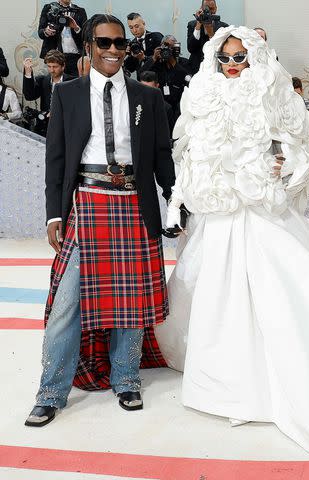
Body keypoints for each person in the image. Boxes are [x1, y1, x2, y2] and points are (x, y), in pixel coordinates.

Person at [155, 26, 309, 480]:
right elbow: (188, 151)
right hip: (218, 211)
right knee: (215, 289)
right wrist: (183, 196)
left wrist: (285, 164)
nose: (233, 65)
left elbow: (300, 149)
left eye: (241, 58)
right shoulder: (202, 92)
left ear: (254, 58)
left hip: (262, 207)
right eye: (226, 58)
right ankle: (225, 379)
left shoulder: (274, 90)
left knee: (279, 288)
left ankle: (272, 377)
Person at [25, 13, 174, 427]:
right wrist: (55, 213)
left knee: (130, 303)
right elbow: (56, 159)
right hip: (87, 203)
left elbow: (162, 155)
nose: (113, 50)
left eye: (119, 44)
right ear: (88, 45)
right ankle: (50, 392)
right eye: (104, 42)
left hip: (133, 203)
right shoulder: (67, 94)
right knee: (67, 304)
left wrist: (176, 198)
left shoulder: (147, 98)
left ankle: (126, 380)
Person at [140, 35, 191, 120]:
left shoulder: (184, 62)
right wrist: (154, 58)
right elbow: (141, 75)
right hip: (161, 105)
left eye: (171, 47)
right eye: (166, 46)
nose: (168, 49)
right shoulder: (156, 63)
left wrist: (173, 61)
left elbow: (187, 78)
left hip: (179, 106)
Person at [38, 0, 87, 77]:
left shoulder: (80, 11)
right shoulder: (49, 8)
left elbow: (86, 35)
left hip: (76, 57)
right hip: (55, 56)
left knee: (75, 84)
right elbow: (40, 33)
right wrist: (47, 31)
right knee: (56, 84)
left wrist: (76, 28)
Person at [187, 0, 228, 75]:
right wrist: (198, 24)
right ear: (201, 8)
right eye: (206, 9)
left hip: (215, 68)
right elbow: (191, 48)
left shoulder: (224, 27)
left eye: (211, 9)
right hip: (196, 68)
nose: (209, 12)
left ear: (215, 9)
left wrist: (211, 34)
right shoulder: (192, 25)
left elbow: (221, 50)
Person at [124, 12, 163, 78]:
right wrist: (129, 55)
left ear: (143, 24)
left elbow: (163, 59)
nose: (134, 30)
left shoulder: (156, 37)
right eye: (131, 27)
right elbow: (130, 69)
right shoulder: (131, 44)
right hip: (141, 82)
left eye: (137, 26)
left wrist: (144, 58)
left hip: (158, 79)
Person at [140, 70, 175, 135]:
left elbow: (169, 133)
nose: (146, 92)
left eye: (150, 89)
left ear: (157, 86)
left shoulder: (166, 108)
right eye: (143, 88)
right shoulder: (133, 104)